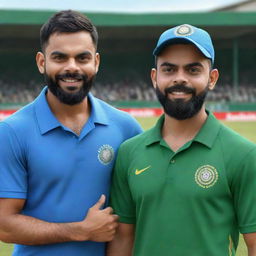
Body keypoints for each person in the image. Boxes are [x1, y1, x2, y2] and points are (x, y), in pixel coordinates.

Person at [0, 10, 142, 256]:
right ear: (42, 62)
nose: (72, 67)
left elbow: (141, 211)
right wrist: (80, 230)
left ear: (96, 62)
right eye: (60, 57)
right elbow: (4, 226)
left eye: (82, 58)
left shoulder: (126, 128)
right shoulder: (12, 132)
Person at [107, 24, 256, 256]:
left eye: (193, 70)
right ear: (155, 77)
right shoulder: (129, 152)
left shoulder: (244, 155)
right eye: (169, 69)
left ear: (212, 78)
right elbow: (123, 239)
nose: (180, 79)